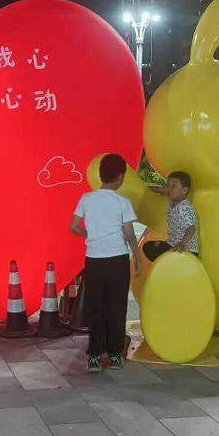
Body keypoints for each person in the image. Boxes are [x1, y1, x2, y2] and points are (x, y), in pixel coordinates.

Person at [70, 153, 142, 371]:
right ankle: (115, 355)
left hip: (94, 260)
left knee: (96, 308)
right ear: (120, 177)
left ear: (101, 175)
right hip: (117, 260)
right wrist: (137, 256)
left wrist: (91, 235)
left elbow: (74, 227)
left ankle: (94, 356)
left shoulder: (86, 199)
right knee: (116, 307)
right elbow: (129, 233)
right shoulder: (122, 202)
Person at [143, 171, 199, 262]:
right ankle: (166, 261)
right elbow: (162, 190)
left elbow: (192, 229)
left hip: (186, 250)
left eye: (173, 186)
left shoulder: (185, 207)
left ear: (184, 190)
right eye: (168, 185)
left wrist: (182, 244)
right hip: (172, 245)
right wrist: (148, 185)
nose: (169, 189)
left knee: (169, 257)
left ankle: (170, 263)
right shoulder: (173, 199)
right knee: (148, 247)